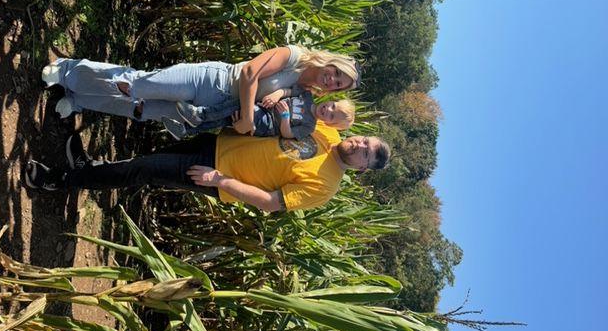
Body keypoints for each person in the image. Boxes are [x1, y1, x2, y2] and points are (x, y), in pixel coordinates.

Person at [24, 124, 390, 212]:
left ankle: (60, 180)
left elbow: (270, 202)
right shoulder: (328, 132)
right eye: (364, 142)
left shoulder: (325, 187)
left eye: (365, 154)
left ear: (360, 170)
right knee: (148, 160)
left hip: (216, 173)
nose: (359, 146)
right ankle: (88, 169)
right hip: (219, 142)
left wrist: (221, 180)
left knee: (145, 170)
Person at [41, 45, 360, 136]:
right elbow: (250, 72)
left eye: (338, 85)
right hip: (214, 80)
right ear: (333, 63)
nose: (332, 81)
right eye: (336, 74)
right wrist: (248, 117)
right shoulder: (295, 56)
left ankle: (78, 99)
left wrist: (244, 123)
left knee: (141, 109)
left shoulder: (306, 94)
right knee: (136, 84)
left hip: (213, 110)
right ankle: (68, 70)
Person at [162, 88, 356, 140]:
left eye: (331, 116)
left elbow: (288, 134)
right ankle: (186, 130)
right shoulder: (307, 96)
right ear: (332, 100)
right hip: (264, 106)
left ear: (329, 124)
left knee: (245, 109)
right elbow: (288, 91)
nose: (328, 110)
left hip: (267, 124)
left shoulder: (309, 126)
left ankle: (200, 115)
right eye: (332, 106)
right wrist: (278, 94)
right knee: (229, 116)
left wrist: (286, 118)